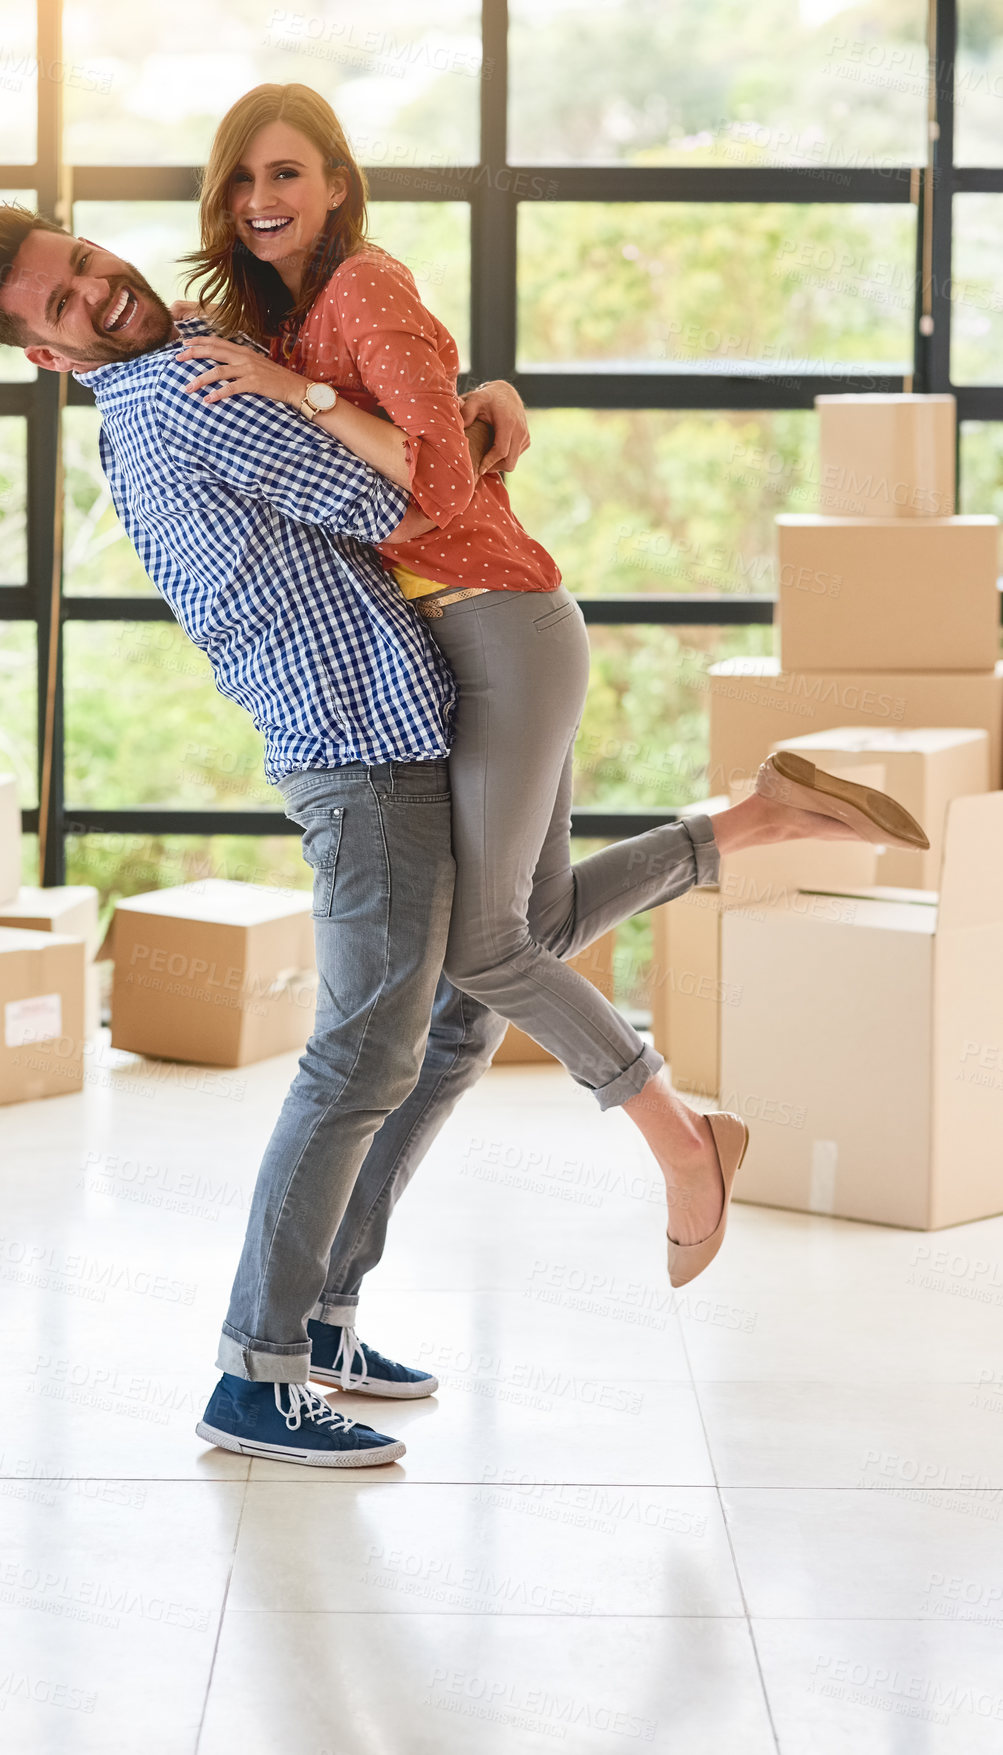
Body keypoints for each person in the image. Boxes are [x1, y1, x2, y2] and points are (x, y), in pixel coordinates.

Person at [0, 204, 928, 1469]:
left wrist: (450, 396)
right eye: (60, 303)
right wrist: (419, 412)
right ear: (43, 353)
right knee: (363, 1057)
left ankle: (324, 1317)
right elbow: (392, 484)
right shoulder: (186, 390)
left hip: (407, 715)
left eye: (81, 262)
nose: (94, 291)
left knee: (474, 993)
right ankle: (254, 1375)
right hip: (359, 746)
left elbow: (387, 427)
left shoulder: (184, 353)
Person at [174, 83, 931, 1280]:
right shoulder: (272, 315)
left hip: (500, 624)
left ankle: (684, 1144)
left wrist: (304, 396)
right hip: (457, 639)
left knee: (480, 951)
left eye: (287, 174)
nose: (262, 199)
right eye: (243, 178)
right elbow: (404, 401)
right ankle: (751, 819)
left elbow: (431, 481)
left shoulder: (358, 288)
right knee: (522, 927)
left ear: (334, 185)